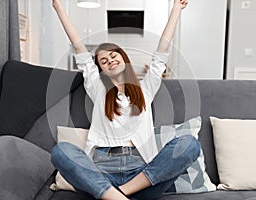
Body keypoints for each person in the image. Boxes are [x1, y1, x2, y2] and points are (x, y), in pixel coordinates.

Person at [51, 0, 200, 199]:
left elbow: (161, 54)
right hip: (102, 173)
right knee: (61, 151)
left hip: (142, 177)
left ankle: (118, 196)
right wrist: (58, 6)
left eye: (113, 56)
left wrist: (176, 9)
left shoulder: (145, 88)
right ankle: (113, 194)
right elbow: (79, 48)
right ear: (101, 70)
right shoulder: (97, 88)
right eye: (103, 61)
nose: (110, 61)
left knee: (190, 144)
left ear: (124, 58)